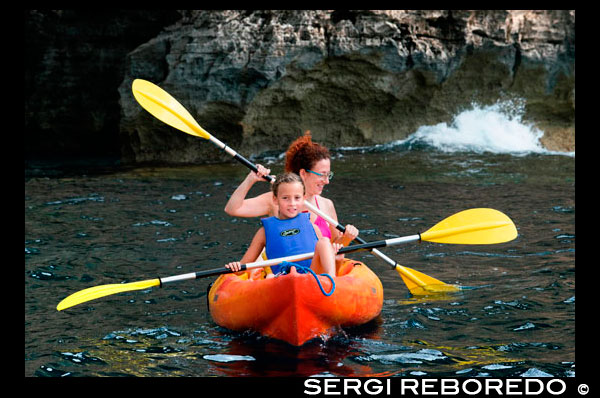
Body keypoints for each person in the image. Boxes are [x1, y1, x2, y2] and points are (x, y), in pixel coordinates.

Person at [224, 131, 359, 254]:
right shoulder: (275, 200)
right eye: (322, 175)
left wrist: (346, 238)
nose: (327, 181)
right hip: (283, 273)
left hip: (317, 272)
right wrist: (250, 179)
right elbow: (232, 209)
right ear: (303, 173)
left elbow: (336, 249)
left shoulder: (326, 205)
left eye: (328, 175)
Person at [225, 173, 342, 278]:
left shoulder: (311, 226)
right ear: (275, 200)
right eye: (285, 198)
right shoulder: (264, 233)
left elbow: (325, 256)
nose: (292, 203)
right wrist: (236, 266)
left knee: (324, 242)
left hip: (312, 276)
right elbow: (242, 267)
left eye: (297, 198)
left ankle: (331, 281)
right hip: (283, 280)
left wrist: (333, 252)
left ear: (303, 199)